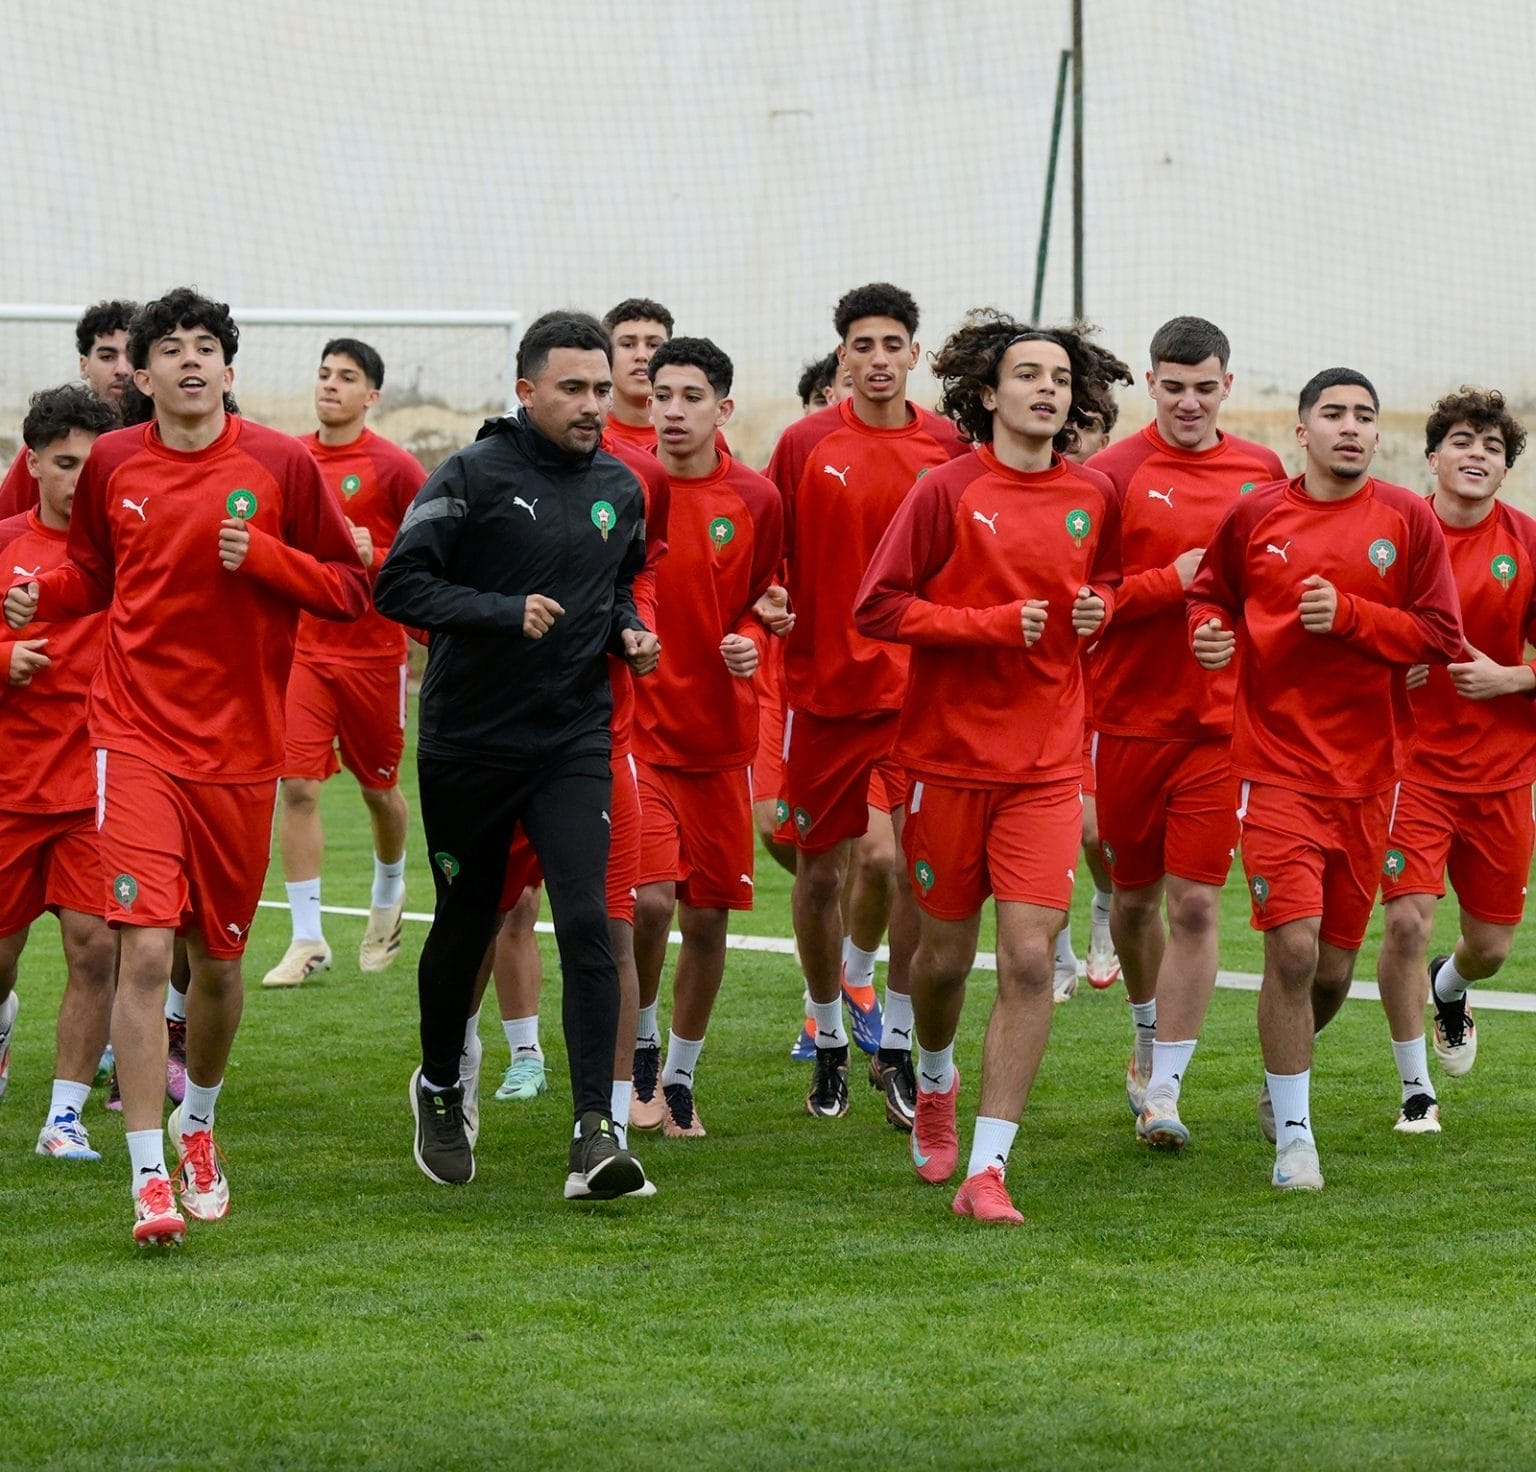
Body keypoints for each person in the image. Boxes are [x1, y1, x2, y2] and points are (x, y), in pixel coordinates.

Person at [5, 287, 370, 1246]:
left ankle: (197, 1123)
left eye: (206, 346)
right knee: (144, 946)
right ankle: (147, 1175)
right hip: (130, 738)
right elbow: (92, 571)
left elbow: (350, 588)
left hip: (241, 754)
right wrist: (37, 592)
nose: (189, 361)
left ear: (230, 369)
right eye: (170, 349)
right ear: (146, 373)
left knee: (219, 961)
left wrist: (270, 562)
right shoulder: (116, 460)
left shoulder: (282, 464)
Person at [374, 311, 660, 1201]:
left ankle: (595, 1133)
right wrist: (504, 610)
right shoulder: (471, 474)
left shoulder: (621, 484)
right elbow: (398, 584)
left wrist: (630, 629)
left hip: (571, 736)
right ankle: (439, 1083)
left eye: (601, 389)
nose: (591, 406)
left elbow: (615, 584)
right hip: (469, 741)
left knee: (588, 920)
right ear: (527, 390)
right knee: (466, 920)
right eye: (572, 389)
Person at [856, 310, 1122, 1223]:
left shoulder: (1093, 495)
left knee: (1026, 956)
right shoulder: (944, 491)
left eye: (1059, 378)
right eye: (1028, 375)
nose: (1047, 389)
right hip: (945, 761)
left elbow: (1110, 583)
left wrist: (1100, 610)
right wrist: (988, 627)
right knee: (939, 958)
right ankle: (933, 1080)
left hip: (1047, 763)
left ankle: (988, 1167)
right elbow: (878, 608)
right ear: (987, 393)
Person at [1187, 367, 1461, 1191]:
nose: (1351, 426)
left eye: (1365, 416)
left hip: (1373, 776)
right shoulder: (1256, 513)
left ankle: (1281, 1081)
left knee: (1335, 970)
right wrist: (1208, 632)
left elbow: (1440, 635)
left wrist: (1351, 616)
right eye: (1333, 414)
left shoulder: (1407, 520)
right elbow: (1209, 593)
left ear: (1379, 436)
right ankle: (1295, 1138)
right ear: (1300, 432)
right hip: (1275, 768)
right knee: (1294, 949)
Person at [767, 282, 967, 1127]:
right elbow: (772, 557)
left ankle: (888, 1033)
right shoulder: (805, 443)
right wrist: (770, 604)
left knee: (898, 867)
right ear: (841, 355)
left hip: (921, 695)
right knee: (819, 872)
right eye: (863, 345)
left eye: (893, 344)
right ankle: (826, 1030)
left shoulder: (949, 446)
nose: (879, 359)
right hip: (826, 694)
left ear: (915, 354)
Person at [1087, 317, 1285, 1146]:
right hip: (1127, 719)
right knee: (1133, 902)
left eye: (1206, 387)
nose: (1190, 403)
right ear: (1150, 383)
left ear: (1228, 386)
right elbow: (1086, 606)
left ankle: (1165, 1089)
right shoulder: (1108, 476)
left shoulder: (1262, 472)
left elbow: (1272, 585)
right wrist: (1169, 586)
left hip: (1219, 727)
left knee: (1197, 903)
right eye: (1174, 387)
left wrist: (1236, 626)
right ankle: (1143, 1035)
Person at [630, 337, 784, 1137]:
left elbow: (769, 599)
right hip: (638, 732)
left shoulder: (756, 498)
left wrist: (755, 633)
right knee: (649, 902)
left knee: (711, 920)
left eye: (693, 396)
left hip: (724, 739)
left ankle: (681, 1076)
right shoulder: (621, 485)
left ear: (722, 408)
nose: (675, 410)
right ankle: (641, 1050)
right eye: (664, 395)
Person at [1376, 389, 1533, 1127]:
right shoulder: (1393, 536)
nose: (1477, 454)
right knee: (1405, 923)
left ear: (1504, 471)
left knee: (1492, 947)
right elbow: (1339, 633)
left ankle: (1450, 987)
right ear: (1432, 457)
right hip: (1410, 768)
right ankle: (1416, 1091)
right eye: (1463, 441)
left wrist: (1514, 678)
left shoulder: (1528, 544)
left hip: (1503, 776)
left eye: (1493, 447)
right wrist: (1387, 660)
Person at [264, 339, 426, 986]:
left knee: (380, 791)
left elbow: (429, 559)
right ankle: (307, 938)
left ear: (372, 396)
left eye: (347, 377)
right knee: (297, 785)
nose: (330, 384)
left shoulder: (396, 468)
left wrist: (377, 552)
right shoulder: (290, 458)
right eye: (324, 373)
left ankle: (389, 890)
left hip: (373, 657)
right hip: (306, 649)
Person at [0, 385, 119, 1160]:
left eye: (91, 464)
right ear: (34, 460)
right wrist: (5, 657)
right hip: (9, 789)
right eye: (65, 462)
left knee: (95, 949)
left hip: (96, 789)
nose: (78, 479)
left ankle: (64, 1117)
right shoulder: (3, 542)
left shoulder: (130, 554)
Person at [0, 300, 138, 518]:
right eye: (107, 357)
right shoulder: (50, 438)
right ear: (84, 365)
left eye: (131, 356)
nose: (122, 369)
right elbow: (7, 522)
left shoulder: (164, 438)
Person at [602, 298, 675, 451]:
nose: (641, 355)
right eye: (627, 345)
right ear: (607, 355)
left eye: (653, 345)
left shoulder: (700, 435)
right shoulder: (589, 435)